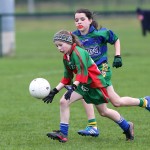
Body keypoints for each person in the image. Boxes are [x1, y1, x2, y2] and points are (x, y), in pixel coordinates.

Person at [42, 30, 134, 143]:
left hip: (95, 84)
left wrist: (73, 88)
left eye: (60, 45)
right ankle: (63, 134)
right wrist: (54, 91)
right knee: (63, 101)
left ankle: (127, 126)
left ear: (69, 42)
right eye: (56, 46)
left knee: (104, 112)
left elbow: (82, 73)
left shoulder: (78, 53)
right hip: (83, 84)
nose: (59, 48)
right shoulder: (66, 57)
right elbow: (67, 77)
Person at [70, 8, 150, 137]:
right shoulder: (74, 37)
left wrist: (117, 56)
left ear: (90, 20)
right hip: (88, 73)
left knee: (83, 89)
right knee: (114, 104)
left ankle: (92, 126)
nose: (79, 22)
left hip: (102, 70)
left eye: (82, 19)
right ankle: (143, 105)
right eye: (76, 20)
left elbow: (116, 39)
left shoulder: (101, 33)